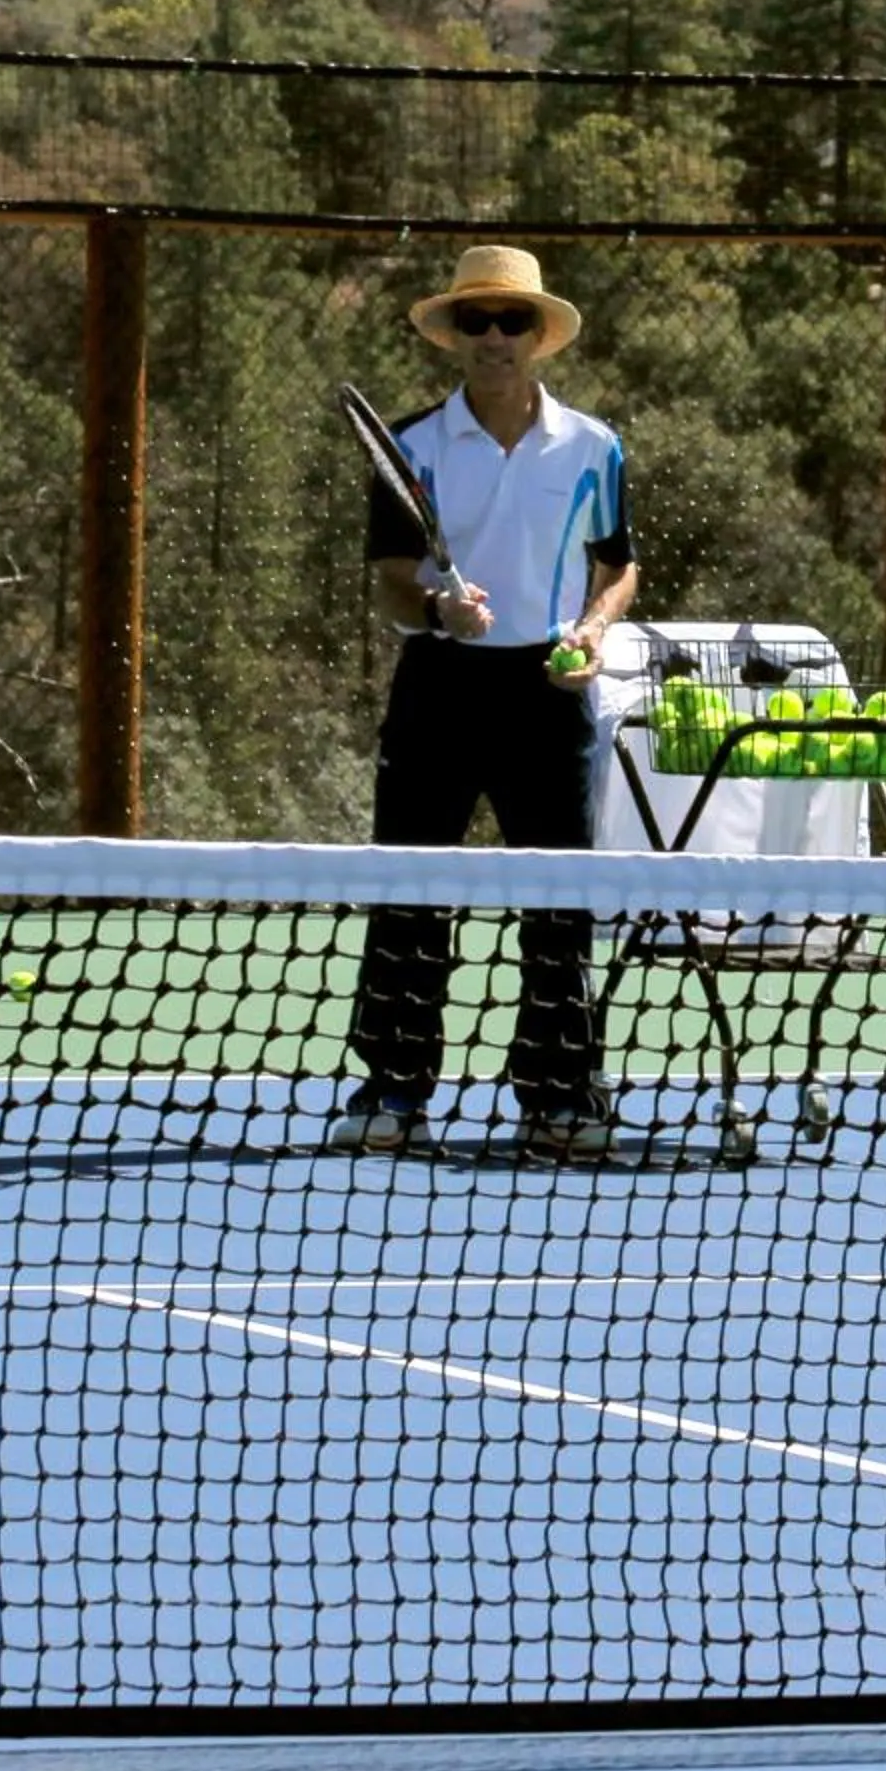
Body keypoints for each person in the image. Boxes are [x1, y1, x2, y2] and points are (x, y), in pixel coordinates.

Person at [332, 243, 639, 1161]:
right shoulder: (410, 446)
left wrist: (589, 635)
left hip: (547, 695)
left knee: (559, 905)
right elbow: (388, 577)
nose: (494, 337)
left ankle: (560, 1095)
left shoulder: (594, 447)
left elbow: (617, 564)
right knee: (412, 891)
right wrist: (435, 608)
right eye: (476, 320)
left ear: (540, 337)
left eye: (512, 321)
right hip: (440, 686)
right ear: (453, 336)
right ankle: (393, 1089)